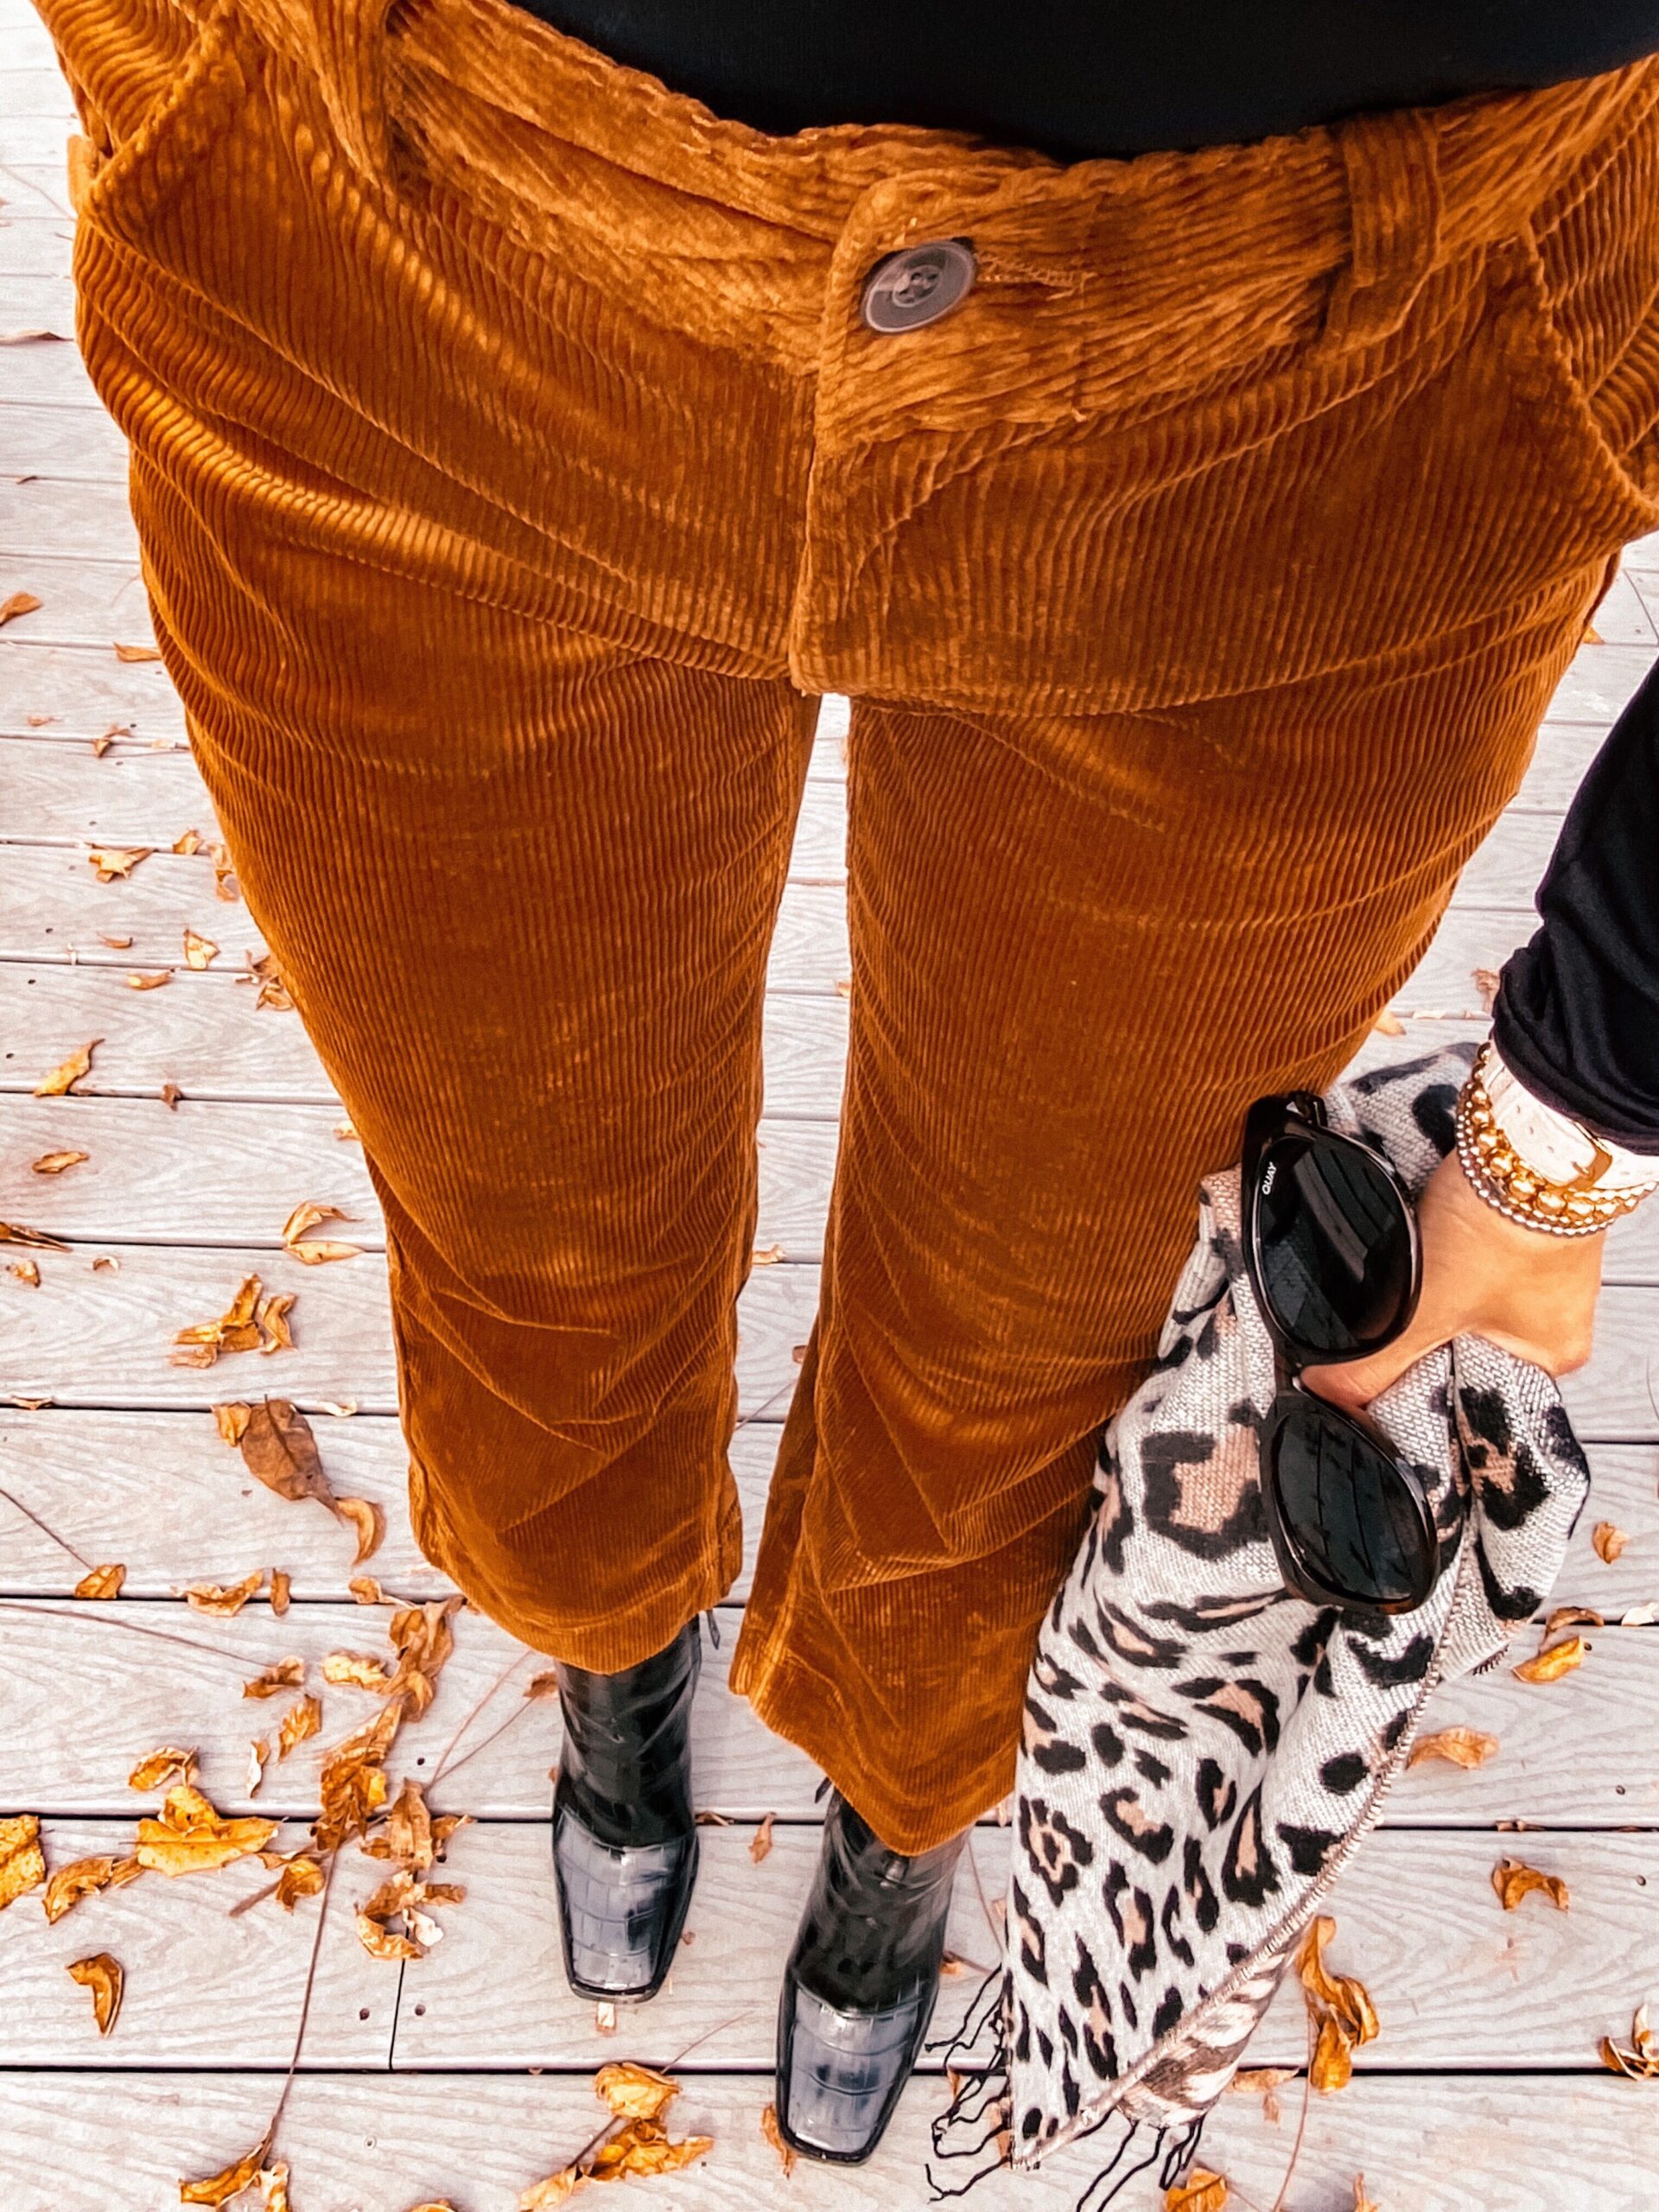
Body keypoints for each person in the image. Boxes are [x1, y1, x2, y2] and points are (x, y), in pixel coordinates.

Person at [35, 0, 1659, 2166]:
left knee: (1042, 1335)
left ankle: (910, 1792)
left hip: (1356, 399)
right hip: (402, 239)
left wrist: (1584, 1102)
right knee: (527, 1208)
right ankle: (611, 1644)